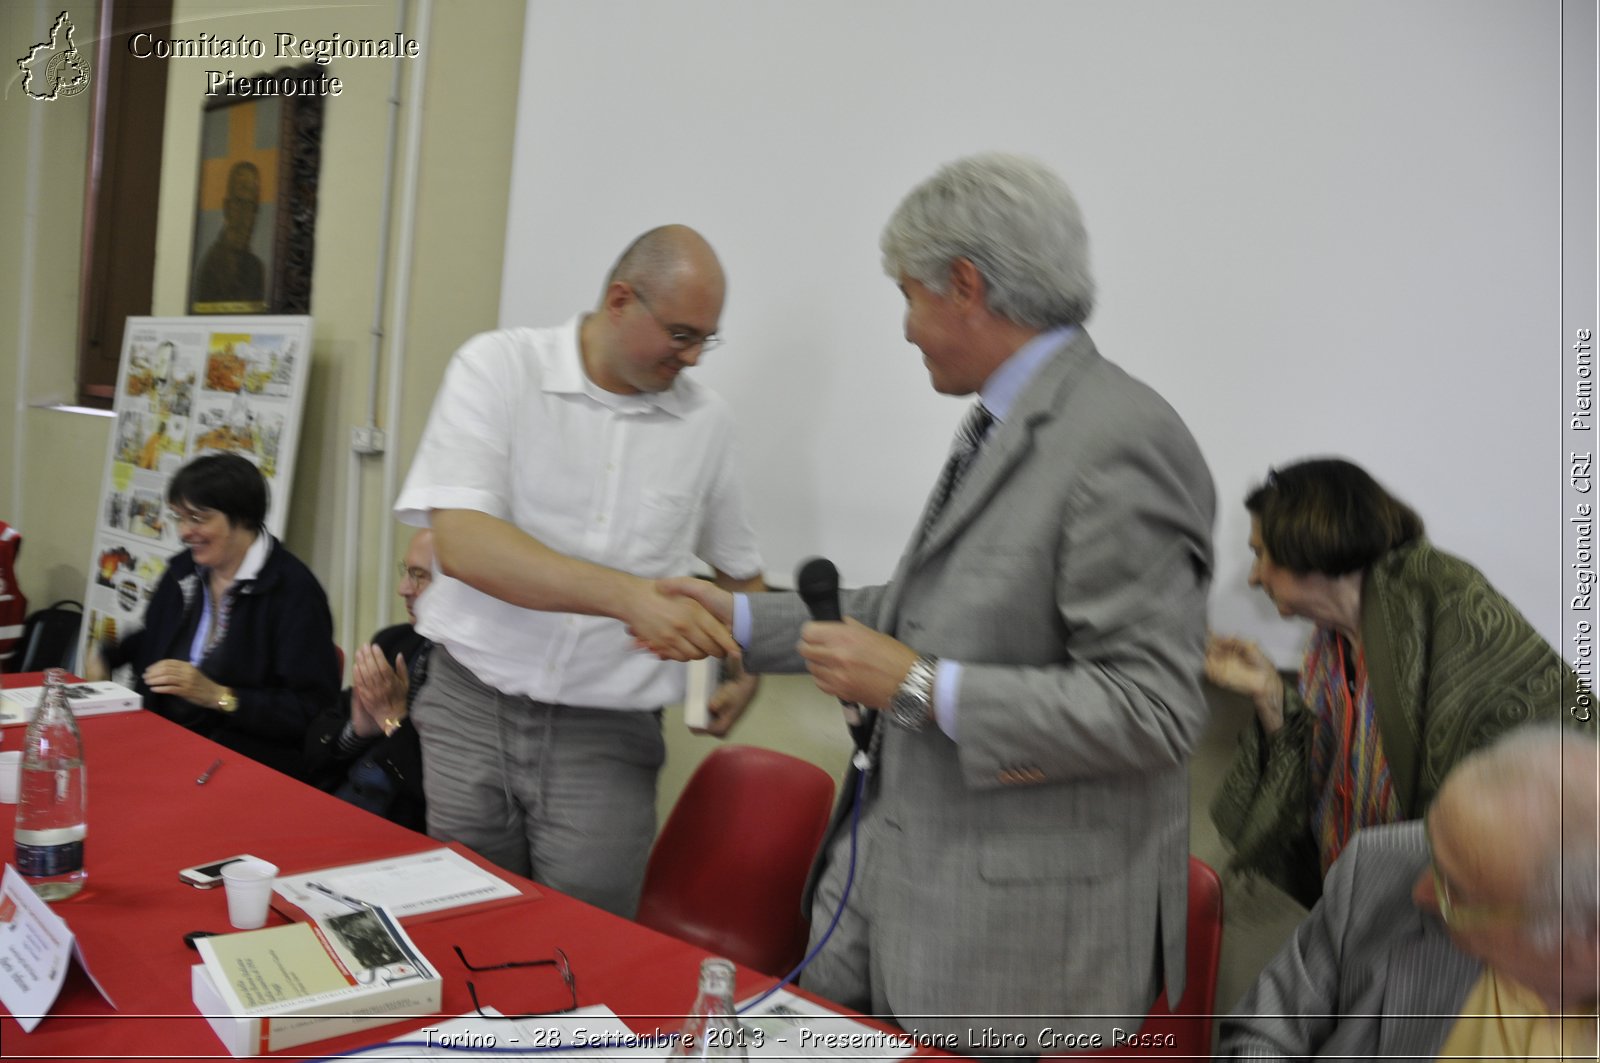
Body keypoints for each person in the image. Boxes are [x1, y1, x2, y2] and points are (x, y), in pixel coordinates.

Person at [664, 153, 1215, 1052]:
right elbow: (916, 609)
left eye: (909, 295)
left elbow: (1149, 710)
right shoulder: (1001, 418)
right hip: (894, 882)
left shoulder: (1123, 440)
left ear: (967, 285)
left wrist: (918, 686)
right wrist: (732, 622)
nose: (907, 329)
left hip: (1008, 941)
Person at [393, 224, 765, 918]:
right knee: (466, 921)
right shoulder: (498, 368)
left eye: (704, 340)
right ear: (621, 299)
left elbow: (741, 574)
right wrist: (629, 598)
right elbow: (466, 542)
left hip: (606, 733)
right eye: (681, 334)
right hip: (473, 703)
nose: (691, 358)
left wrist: (750, 665)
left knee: (588, 940)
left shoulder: (706, 423)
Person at [1207, 458, 1587, 907]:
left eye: (1261, 554)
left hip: (1461, 920)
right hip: (1364, 907)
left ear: (1307, 543)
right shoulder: (1326, 647)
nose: (1254, 577)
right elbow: (1315, 788)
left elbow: (1527, 774)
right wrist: (1269, 697)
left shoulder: (1445, 599)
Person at [1219, 724, 1598, 1059]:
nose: (1420, 892)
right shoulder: (1386, 864)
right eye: (1433, 848)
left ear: (1576, 939)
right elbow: (1266, 1031)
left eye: (1456, 893)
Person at [93, 453, 339, 778]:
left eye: (197, 518)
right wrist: (108, 655)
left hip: (242, 765)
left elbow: (312, 711)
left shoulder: (293, 593)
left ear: (242, 518)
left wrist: (219, 696)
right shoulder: (185, 571)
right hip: (162, 742)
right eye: (179, 517)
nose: (183, 532)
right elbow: (157, 641)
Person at [304, 529, 434, 830]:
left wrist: (392, 721)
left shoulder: (480, 677)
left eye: (419, 576)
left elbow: (440, 794)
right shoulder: (396, 641)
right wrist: (357, 732)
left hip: (400, 832)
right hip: (337, 804)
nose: (403, 588)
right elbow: (314, 744)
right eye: (406, 572)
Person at [193, 160, 266, 307]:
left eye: (251, 205)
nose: (245, 216)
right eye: (239, 202)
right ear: (226, 207)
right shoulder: (211, 265)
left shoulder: (256, 268)